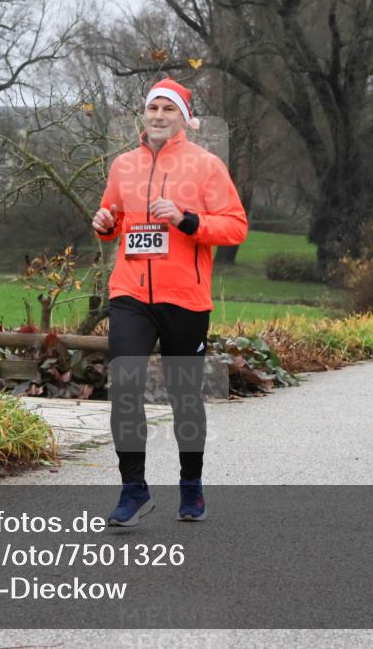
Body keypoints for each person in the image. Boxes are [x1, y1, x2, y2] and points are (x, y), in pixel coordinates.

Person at [91, 78, 248, 526]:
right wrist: (104, 223)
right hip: (130, 293)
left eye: (168, 109)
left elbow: (235, 228)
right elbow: (112, 220)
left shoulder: (206, 166)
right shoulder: (122, 166)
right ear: (144, 114)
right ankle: (133, 490)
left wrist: (186, 220)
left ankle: (191, 486)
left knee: (184, 397)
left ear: (183, 118)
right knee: (124, 387)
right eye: (152, 108)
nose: (158, 115)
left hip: (185, 298)